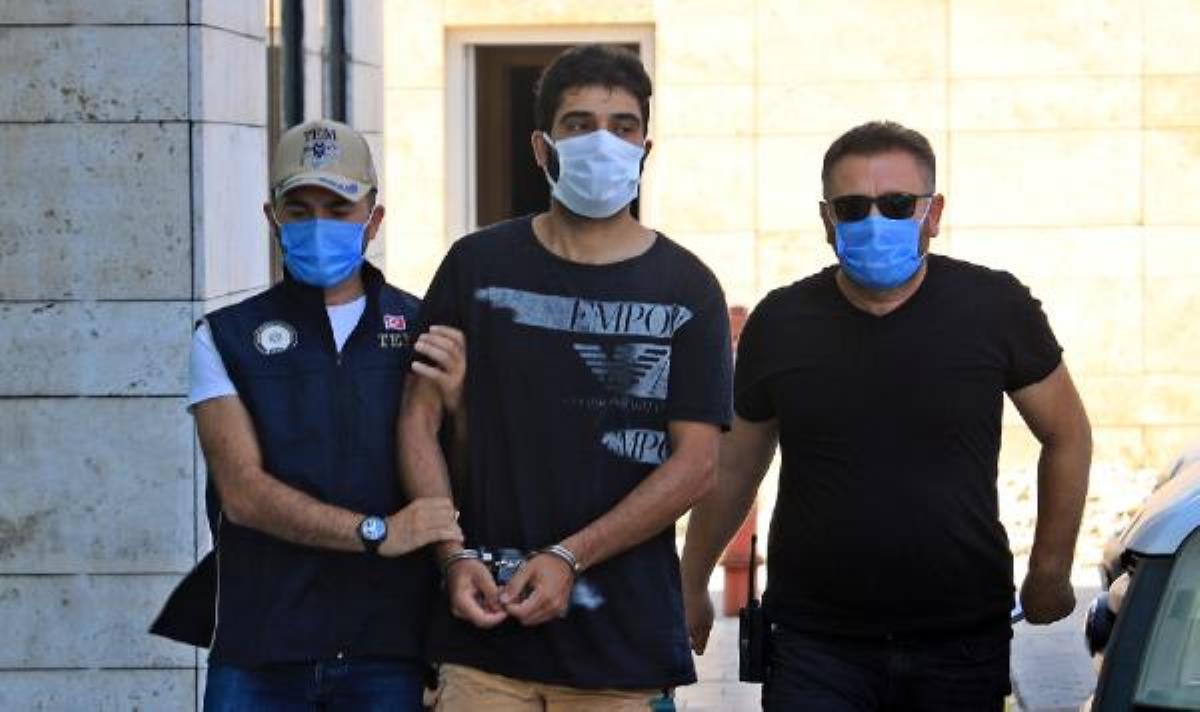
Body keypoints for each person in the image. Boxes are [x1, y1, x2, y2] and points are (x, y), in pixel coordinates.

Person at [680, 120, 1092, 711]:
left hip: (959, 641)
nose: (874, 221)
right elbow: (735, 466)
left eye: (897, 204)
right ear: (827, 220)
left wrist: (1050, 570)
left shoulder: (995, 308)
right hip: (814, 647)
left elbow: (1067, 433)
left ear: (933, 213)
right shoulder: (781, 322)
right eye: (853, 207)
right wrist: (691, 581)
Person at [398, 44, 733, 710]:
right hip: (485, 639)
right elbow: (417, 421)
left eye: (622, 126)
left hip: (621, 653)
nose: (602, 142)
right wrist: (450, 556)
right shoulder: (476, 266)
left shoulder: (688, 288)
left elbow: (697, 465)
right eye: (579, 125)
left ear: (645, 149)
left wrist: (570, 555)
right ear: (542, 146)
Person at [154, 119, 466, 711]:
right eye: (299, 209)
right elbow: (242, 494)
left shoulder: (424, 329)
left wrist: (458, 405)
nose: (318, 224)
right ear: (272, 218)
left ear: (374, 218)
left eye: (338, 207)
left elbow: (464, 473)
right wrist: (377, 532)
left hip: (391, 647)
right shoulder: (225, 336)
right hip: (262, 649)